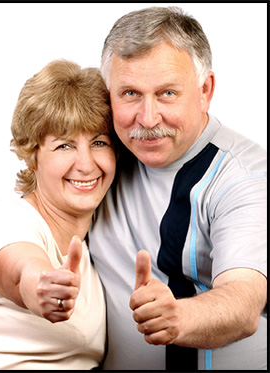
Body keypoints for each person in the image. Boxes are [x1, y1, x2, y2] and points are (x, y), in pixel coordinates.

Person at [89, 6, 267, 370]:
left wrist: (178, 318)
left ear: (205, 90)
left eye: (167, 93)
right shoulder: (99, 157)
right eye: (130, 93)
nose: (148, 118)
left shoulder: (243, 176)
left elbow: (244, 301)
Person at [0, 59, 116, 370]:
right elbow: (19, 270)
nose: (85, 164)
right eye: (64, 146)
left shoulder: (95, 250)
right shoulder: (7, 219)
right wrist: (38, 285)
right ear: (32, 157)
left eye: (98, 142)